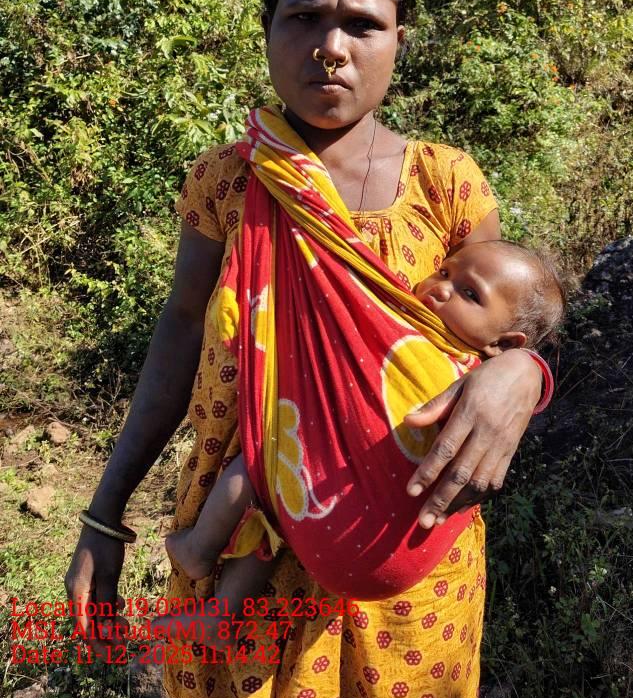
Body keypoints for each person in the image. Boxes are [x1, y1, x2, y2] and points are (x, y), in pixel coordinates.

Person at [65, 0, 554, 698]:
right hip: (241, 553)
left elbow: (503, 335)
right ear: (267, 28)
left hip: (403, 564)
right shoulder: (227, 182)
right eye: (304, 17)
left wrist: (526, 374)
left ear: (400, 41)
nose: (331, 46)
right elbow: (180, 330)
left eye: (363, 24)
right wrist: (103, 515)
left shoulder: (446, 184)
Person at [156, 238, 565, 651]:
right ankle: (223, 615)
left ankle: (200, 547)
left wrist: (530, 371)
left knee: (261, 464)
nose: (441, 288)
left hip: (386, 553)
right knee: (273, 508)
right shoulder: (465, 370)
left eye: (470, 294)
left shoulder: (471, 384)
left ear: (506, 345)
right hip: (369, 543)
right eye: (444, 271)